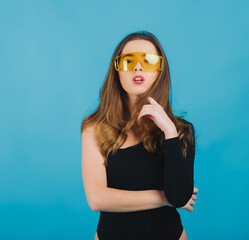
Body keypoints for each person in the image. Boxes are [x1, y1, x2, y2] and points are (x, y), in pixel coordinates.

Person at [81, 31, 199, 240]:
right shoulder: (94, 127)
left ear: (160, 71)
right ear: (116, 69)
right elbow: (96, 199)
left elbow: (180, 197)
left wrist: (170, 133)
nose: (138, 67)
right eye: (129, 61)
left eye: (149, 61)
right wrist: (164, 198)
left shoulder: (180, 130)